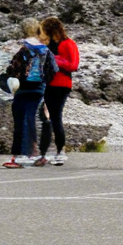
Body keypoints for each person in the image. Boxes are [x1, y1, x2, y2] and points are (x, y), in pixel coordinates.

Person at [0, 19, 54, 168]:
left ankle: (21, 156)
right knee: (37, 120)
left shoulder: (23, 50)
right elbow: (53, 71)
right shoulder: (46, 50)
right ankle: (39, 154)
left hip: (23, 90)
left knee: (21, 122)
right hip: (40, 90)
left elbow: (13, 70)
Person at [38, 16, 80, 166]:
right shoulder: (50, 44)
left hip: (61, 84)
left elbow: (73, 65)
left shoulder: (68, 44)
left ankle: (59, 151)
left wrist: (55, 59)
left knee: (56, 117)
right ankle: (49, 151)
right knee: (48, 117)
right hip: (49, 84)